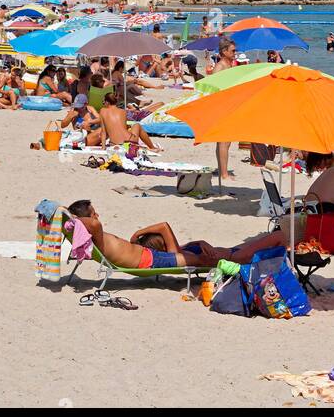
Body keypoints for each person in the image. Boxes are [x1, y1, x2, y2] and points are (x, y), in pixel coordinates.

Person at [66, 200, 214, 269]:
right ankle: (231, 269)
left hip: (149, 254)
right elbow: (95, 224)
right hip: (151, 260)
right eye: (93, 213)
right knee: (201, 260)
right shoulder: (95, 235)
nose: (97, 215)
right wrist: (73, 217)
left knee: (197, 253)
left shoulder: (94, 236)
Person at [210, 37, 236, 181]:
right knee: (223, 140)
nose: (235, 53)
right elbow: (214, 87)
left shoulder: (229, 65)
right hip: (222, 106)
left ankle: (222, 170)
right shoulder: (220, 66)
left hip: (228, 105)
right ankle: (224, 174)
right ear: (224, 51)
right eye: (232, 51)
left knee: (226, 141)